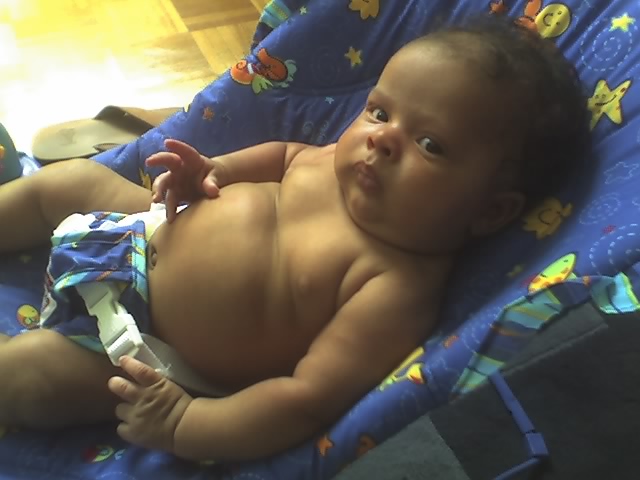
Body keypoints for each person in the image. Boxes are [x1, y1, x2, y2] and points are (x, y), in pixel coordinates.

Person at [0, 16, 590, 462]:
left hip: (143, 352)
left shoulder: (394, 285)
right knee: (67, 181)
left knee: (32, 374)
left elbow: (304, 397)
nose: (382, 139)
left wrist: (184, 425)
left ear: (489, 211)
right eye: (379, 112)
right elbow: (284, 156)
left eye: (430, 145)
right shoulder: (335, 160)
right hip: (138, 228)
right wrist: (212, 171)